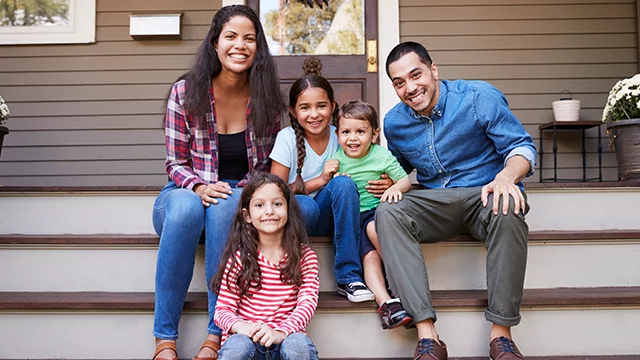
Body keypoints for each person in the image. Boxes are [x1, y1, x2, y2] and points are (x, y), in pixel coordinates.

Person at [377, 41, 537, 360]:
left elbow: (523, 149)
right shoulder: (394, 123)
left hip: (486, 195)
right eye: (399, 82)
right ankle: (428, 336)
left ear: (434, 70)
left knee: (509, 204)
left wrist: (506, 178)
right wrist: (388, 182)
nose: (410, 88)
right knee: (388, 212)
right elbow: (400, 169)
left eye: (416, 75)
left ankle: (501, 336)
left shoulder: (478, 97)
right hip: (436, 202)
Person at [151, 5, 285, 360]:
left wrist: (236, 191)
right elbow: (174, 163)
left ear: (258, 48)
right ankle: (164, 338)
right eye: (230, 36)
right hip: (183, 192)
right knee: (184, 210)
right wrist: (198, 187)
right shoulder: (184, 92)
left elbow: (264, 168)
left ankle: (216, 333)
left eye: (249, 38)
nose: (239, 45)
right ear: (214, 42)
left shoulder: (267, 100)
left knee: (228, 203)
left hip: (235, 193)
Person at [269, 71, 375, 302]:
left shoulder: (344, 134)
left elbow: (373, 163)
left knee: (345, 184)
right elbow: (274, 193)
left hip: (337, 214)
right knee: (305, 205)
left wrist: (387, 181)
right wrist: (320, 181)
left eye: (322, 106)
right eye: (305, 107)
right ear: (293, 112)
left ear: (333, 106)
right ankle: (289, 276)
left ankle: (349, 277)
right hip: (301, 219)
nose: (314, 114)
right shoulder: (286, 138)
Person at [212, 172, 320, 360]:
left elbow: (307, 303)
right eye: (259, 205)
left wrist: (280, 332)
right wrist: (242, 327)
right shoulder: (239, 257)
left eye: (277, 204)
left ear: (288, 209)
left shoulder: (305, 256)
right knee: (237, 345)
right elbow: (222, 310)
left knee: (299, 345)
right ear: (247, 215)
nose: (269, 211)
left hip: (284, 339)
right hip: (248, 341)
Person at [330, 100, 412, 329]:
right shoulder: (337, 159)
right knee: (369, 257)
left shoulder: (382, 156)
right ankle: (387, 305)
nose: (352, 138)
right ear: (338, 135)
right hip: (354, 219)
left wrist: (395, 187)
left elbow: (404, 180)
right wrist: (333, 178)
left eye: (360, 132)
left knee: (374, 230)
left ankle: (399, 281)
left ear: (374, 135)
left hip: (378, 213)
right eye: (346, 132)